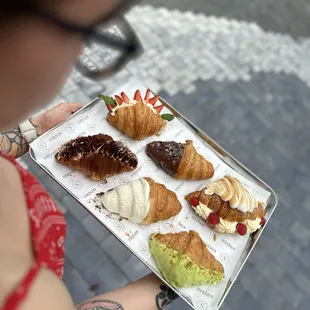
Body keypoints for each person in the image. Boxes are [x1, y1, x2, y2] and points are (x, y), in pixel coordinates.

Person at [0, 1, 179, 310]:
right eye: (87, 31)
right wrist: (164, 285)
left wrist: (36, 128)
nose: (78, 54)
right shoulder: (23, 294)